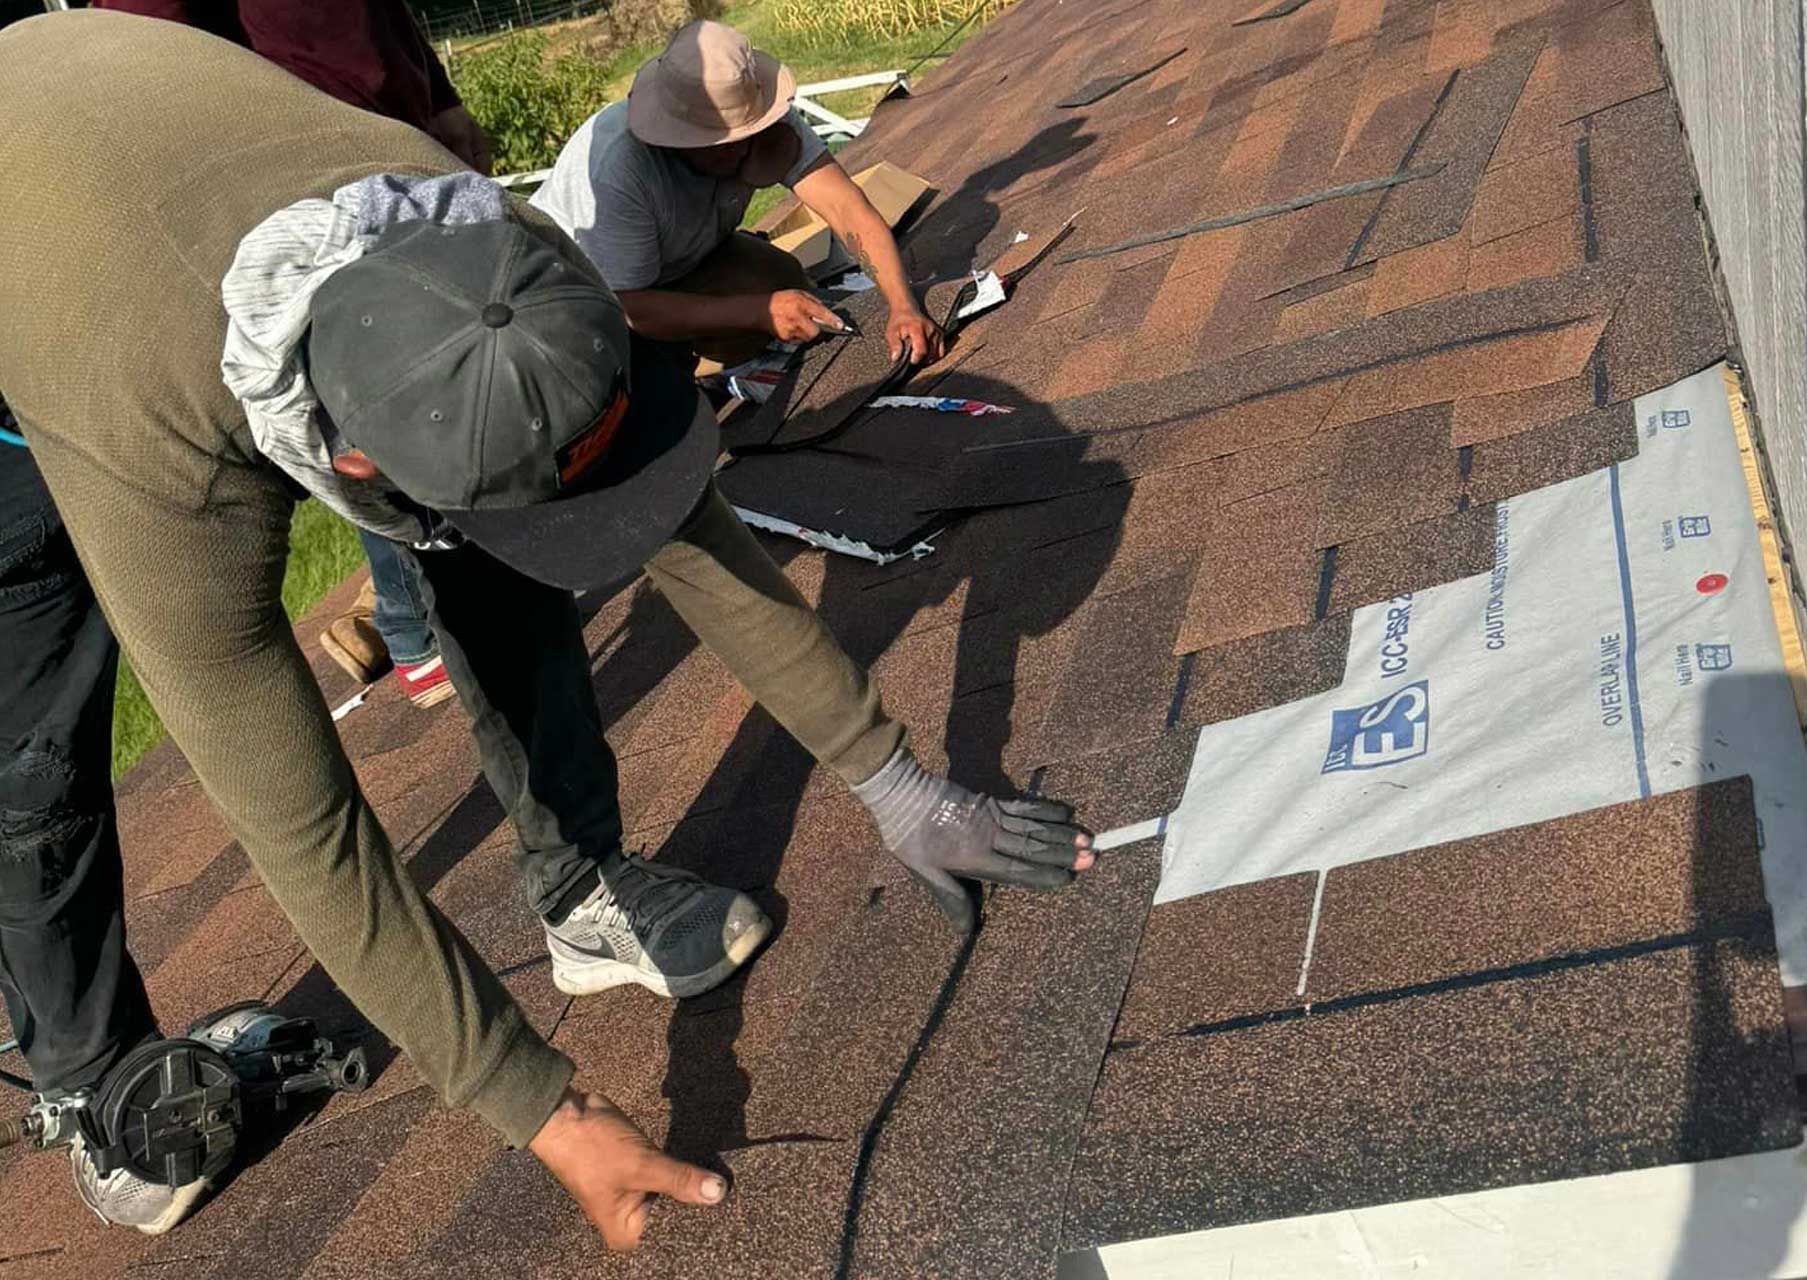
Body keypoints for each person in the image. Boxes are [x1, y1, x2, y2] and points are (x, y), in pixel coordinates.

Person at [0, 9, 1090, 1249]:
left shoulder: (498, 247)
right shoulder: (169, 482)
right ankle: (91, 1078)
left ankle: (579, 886)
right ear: (349, 464)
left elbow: (681, 526)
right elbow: (307, 827)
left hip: (160, 149)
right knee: (31, 718)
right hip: (51, 302)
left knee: (512, 511)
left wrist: (899, 785)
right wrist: (546, 1106)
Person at [95, 0, 497, 709]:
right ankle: (419, 628)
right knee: (378, 402)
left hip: (385, 144)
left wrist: (438, 95)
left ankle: (412, 617)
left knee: (426, 378)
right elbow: (142, 39)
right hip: (301, 173)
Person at [532, 20, 947, 371]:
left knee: (785, 286)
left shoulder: (761, 114)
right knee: (647, 382)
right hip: (586, 299)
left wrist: (902, 304)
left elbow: (846, 208)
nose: (738, 151)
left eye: (745, 138)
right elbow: (631, 306)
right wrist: (759, 312)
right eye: (718, 144)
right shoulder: (619, 168)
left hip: (680, 259)